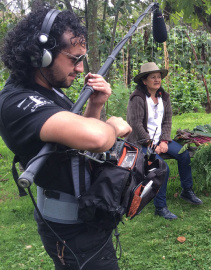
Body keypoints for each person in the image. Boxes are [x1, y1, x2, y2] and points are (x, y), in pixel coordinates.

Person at [0, 7, 131, 269]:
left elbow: (78, 144)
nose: (81, 68)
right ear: (42, 55)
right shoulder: (18, 101)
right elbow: (96, 137)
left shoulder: (49, 90)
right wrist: (113, 127)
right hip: (71, 234)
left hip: (86, 216)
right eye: (74, 59)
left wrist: (95, 105)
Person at [126, 62, 203, 220]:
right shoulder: (137, 98)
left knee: (184, 154)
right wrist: (151, 145)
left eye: (159, 77)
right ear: (144, 81)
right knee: (162, 168)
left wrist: (164, 141)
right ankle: (160, 207)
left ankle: (186, 191)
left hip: (160, 140)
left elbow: (167, 121)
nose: (157, 80)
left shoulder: (164, 96)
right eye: (153, 77)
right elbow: (136, 125)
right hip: (141, 143)